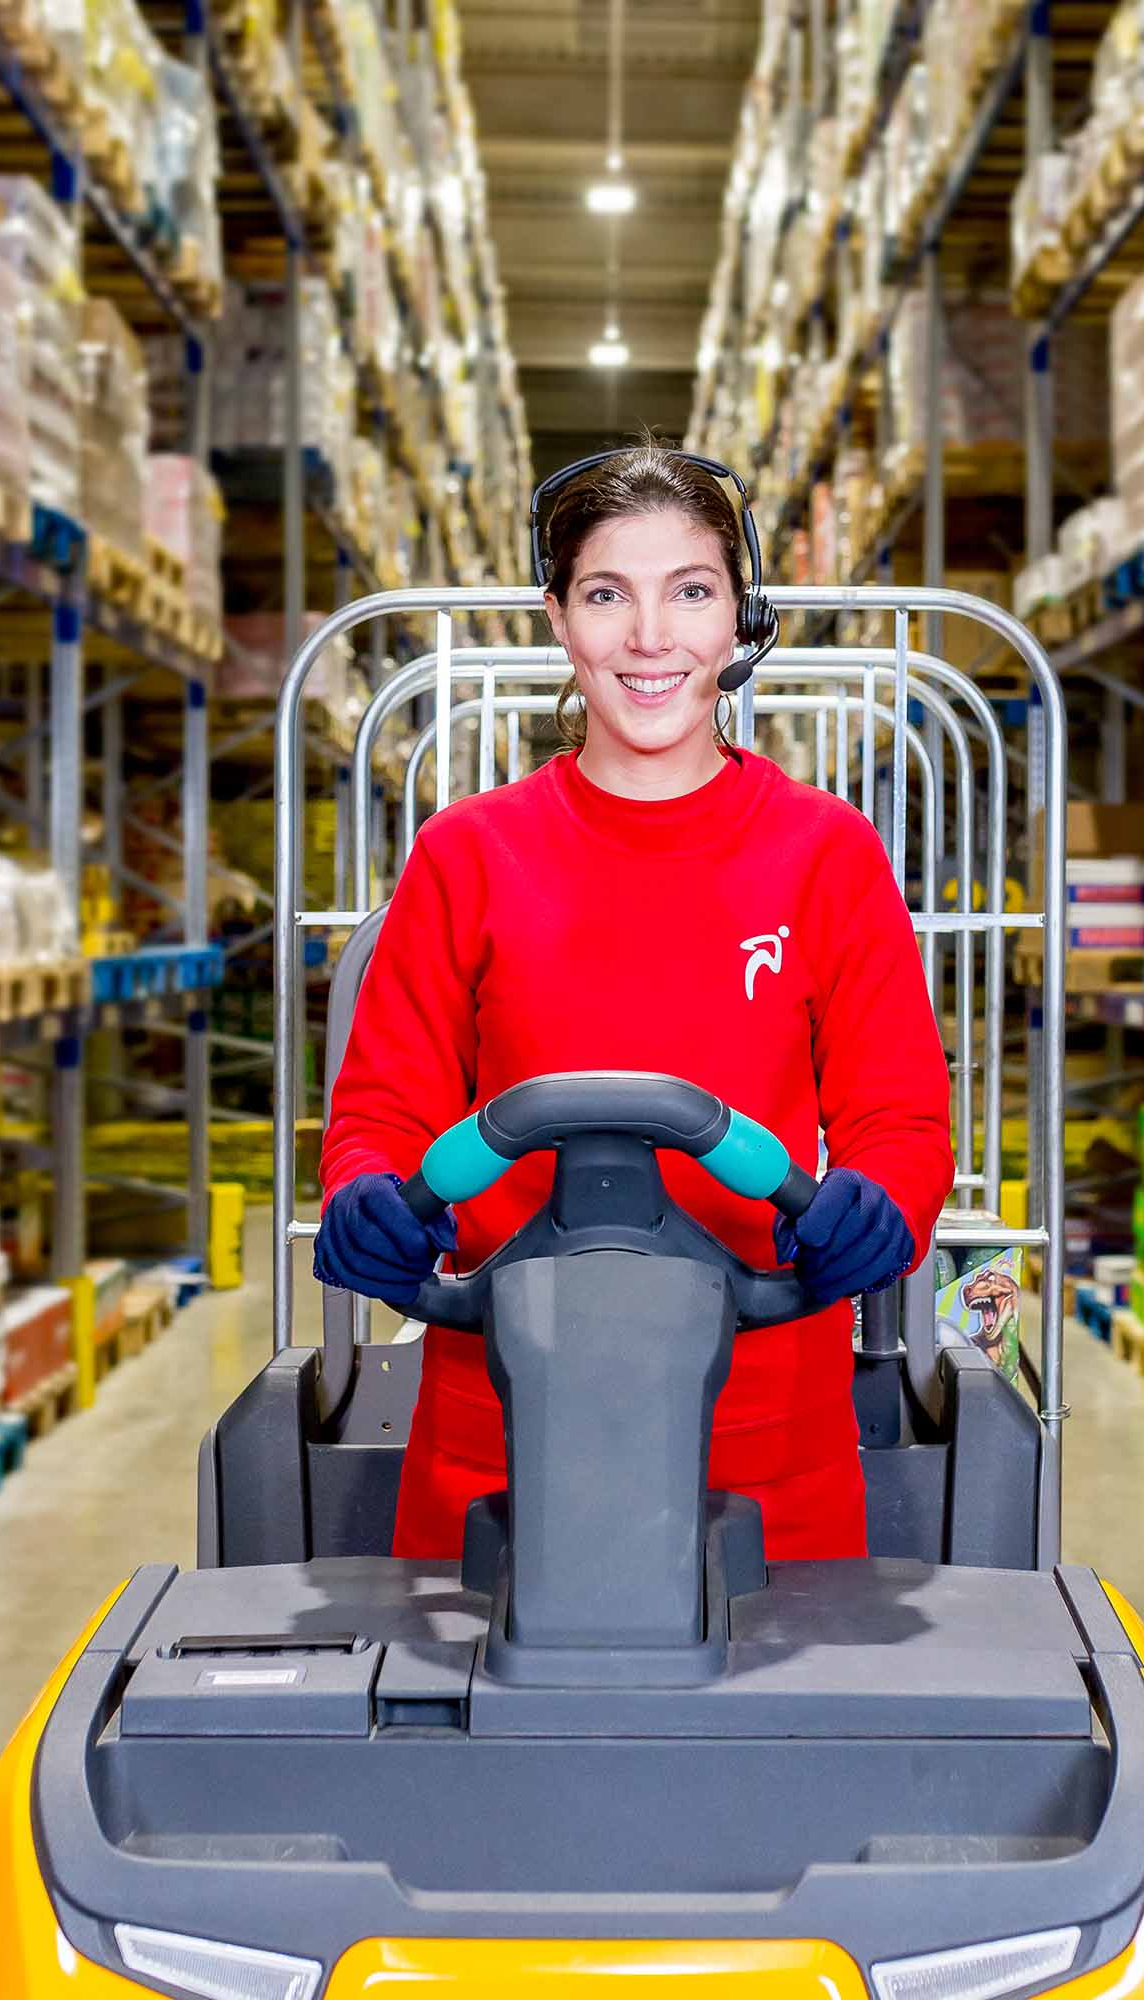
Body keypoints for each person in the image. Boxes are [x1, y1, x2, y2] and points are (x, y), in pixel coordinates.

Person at [312, 442, 955, 1562]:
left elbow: (899, 1117)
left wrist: (883, 1204)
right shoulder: (466, 857)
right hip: (498, 1435)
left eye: (691, 591)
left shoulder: (826, 858)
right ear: (558, 617)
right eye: (608, 594)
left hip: (766, 1436)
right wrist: (368, 1197)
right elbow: (382, 1109)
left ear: (736, 617)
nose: (651, 637)